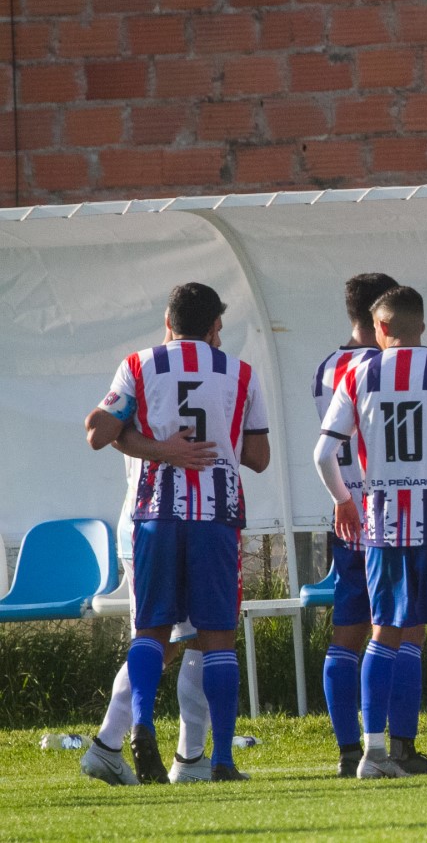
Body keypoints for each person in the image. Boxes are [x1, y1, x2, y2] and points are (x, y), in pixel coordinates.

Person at [85, 282, 270, 782]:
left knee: (151, 631)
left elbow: (97, 431)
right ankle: (220, 760)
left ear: (168, 323)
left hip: (153, 514)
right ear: (214, 329)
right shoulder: (240, 372)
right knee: (216, 638)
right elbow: (257, 457)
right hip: (215, 517)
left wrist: (160, 449)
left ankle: (142, 726)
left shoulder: (139, 364)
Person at [314, 285, 427, 779]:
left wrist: (343, 503)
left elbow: (323, 454)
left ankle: (372, 756)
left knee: (383, 634)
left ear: (382, 328)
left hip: (383, 524)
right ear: (421, 325)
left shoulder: (357, 373)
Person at [313, 273, 427, 778]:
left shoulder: (327, 367)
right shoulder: (387, 367)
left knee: (348, 632)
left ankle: (350, 749)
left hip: (345, 511)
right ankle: (400, 747)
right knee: (406, 629)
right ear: (383, 317)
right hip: (393, 512)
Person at [81, 434, 218, 786]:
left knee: (164, 644)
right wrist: (165, 449)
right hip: (172, 517)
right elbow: (99, 429)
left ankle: (111, 743)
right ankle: (187, 757)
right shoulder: (142, 379)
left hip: (150, 518)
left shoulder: (139, 381)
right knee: (204, 633)